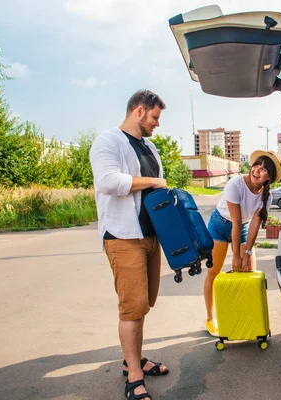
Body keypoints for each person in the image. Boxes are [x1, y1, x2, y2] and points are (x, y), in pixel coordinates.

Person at [90, 89, 169, 400]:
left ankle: (132, 360)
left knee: (145, 303)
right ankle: (133, 375)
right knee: (132, 308)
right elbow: (108, 181)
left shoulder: (149, 147)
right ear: (139, 111)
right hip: (123, 236)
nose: (157, 124)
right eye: (154, 117)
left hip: (149, 236)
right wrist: (151, 182)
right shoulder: (108, 140)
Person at [203, 150, 281, 336]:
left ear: (268, 177)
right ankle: (210, 318)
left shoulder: (267, 197)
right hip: (220, 225)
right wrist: (237, 256)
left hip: (244, 227)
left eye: (264, 169)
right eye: (257, 165)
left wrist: (246, 253)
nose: (257, 170)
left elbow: (254, 223)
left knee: (248, 271)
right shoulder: (235, 184)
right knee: (214, 272)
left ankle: (243, 318)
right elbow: (235, 221)